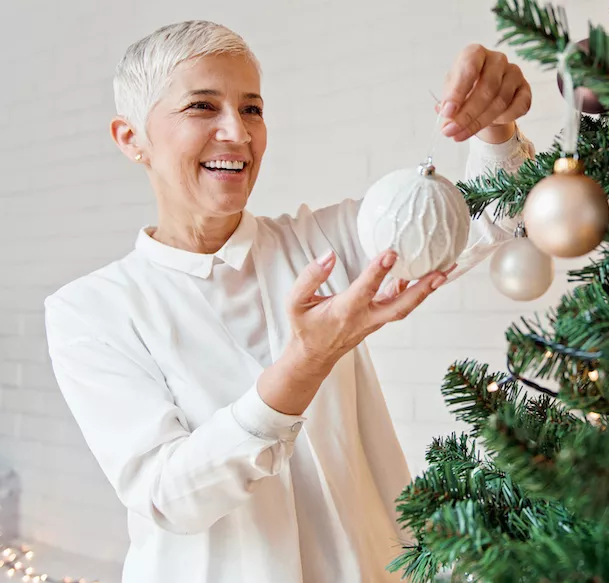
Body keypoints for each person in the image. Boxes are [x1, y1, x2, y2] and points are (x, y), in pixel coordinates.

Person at [43, 20, 535, 583]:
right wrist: (306, 363)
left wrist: (496, 126)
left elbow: (485, 224)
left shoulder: (320, 244)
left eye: (251, 109)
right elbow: (169, 496)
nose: (238, 132)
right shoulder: (90, 311)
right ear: (131, 138)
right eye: (203, 107)